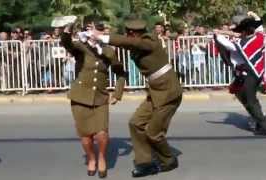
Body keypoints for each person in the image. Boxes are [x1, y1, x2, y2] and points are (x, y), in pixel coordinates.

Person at [92, 19, 183, 177]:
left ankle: (169, 160)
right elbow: (127, 42)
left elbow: (134, 44)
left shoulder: (150, 40)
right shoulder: (137, 41)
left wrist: (105, 37)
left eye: (128, 33)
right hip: (155, 91)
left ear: (134, 33)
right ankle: (145, 162)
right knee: (135, 123)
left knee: (153, 133)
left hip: (168, 92)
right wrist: (97, 38)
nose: (126, 35)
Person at [60, 18, 126, 178]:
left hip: (100, 97)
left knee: (102, 134)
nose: (101, 32)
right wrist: (68, 29)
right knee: (86, 136)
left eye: (102, 29)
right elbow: (67, 43)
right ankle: (91, 158)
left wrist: (117, 93)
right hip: (80, 97)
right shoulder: (80, 47)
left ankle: (102, 157)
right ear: (89, 30)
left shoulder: (109, 51)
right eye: (99, 29)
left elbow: (121, 73)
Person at [214, 11, 266, 136]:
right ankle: (258, 119)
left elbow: (227, 44)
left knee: (251, 101)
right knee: (243, 97)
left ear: (246, 31)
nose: (239, 32)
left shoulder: (245, 43)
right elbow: (259, 27)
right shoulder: (259, 36)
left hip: (250, 75)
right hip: (245, 75)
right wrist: (254, 15)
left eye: (241, 30)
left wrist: (218, 35)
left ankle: (265, 126)